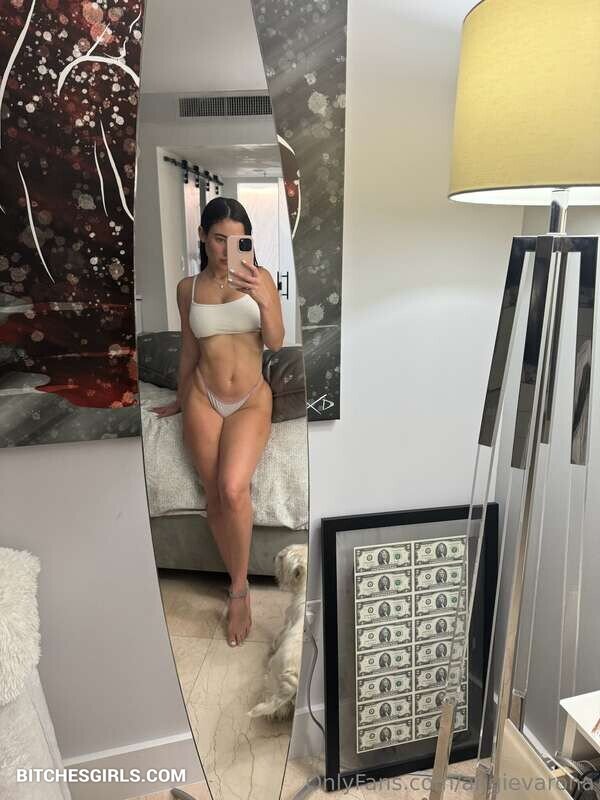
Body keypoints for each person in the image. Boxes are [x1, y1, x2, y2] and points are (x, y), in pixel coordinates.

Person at [151, 197, 284, 647]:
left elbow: (276, 342)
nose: (228, 250)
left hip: (249, 399)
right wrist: (178, 397)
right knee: (214, 496)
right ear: (203, 238)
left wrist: (264, 300)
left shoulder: (261, 278)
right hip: (202, 397)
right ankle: (238, 585)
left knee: (232, 488)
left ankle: (239, 591)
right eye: (218, 239)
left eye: (238, 240)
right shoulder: (187, 288)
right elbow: (189, 348)